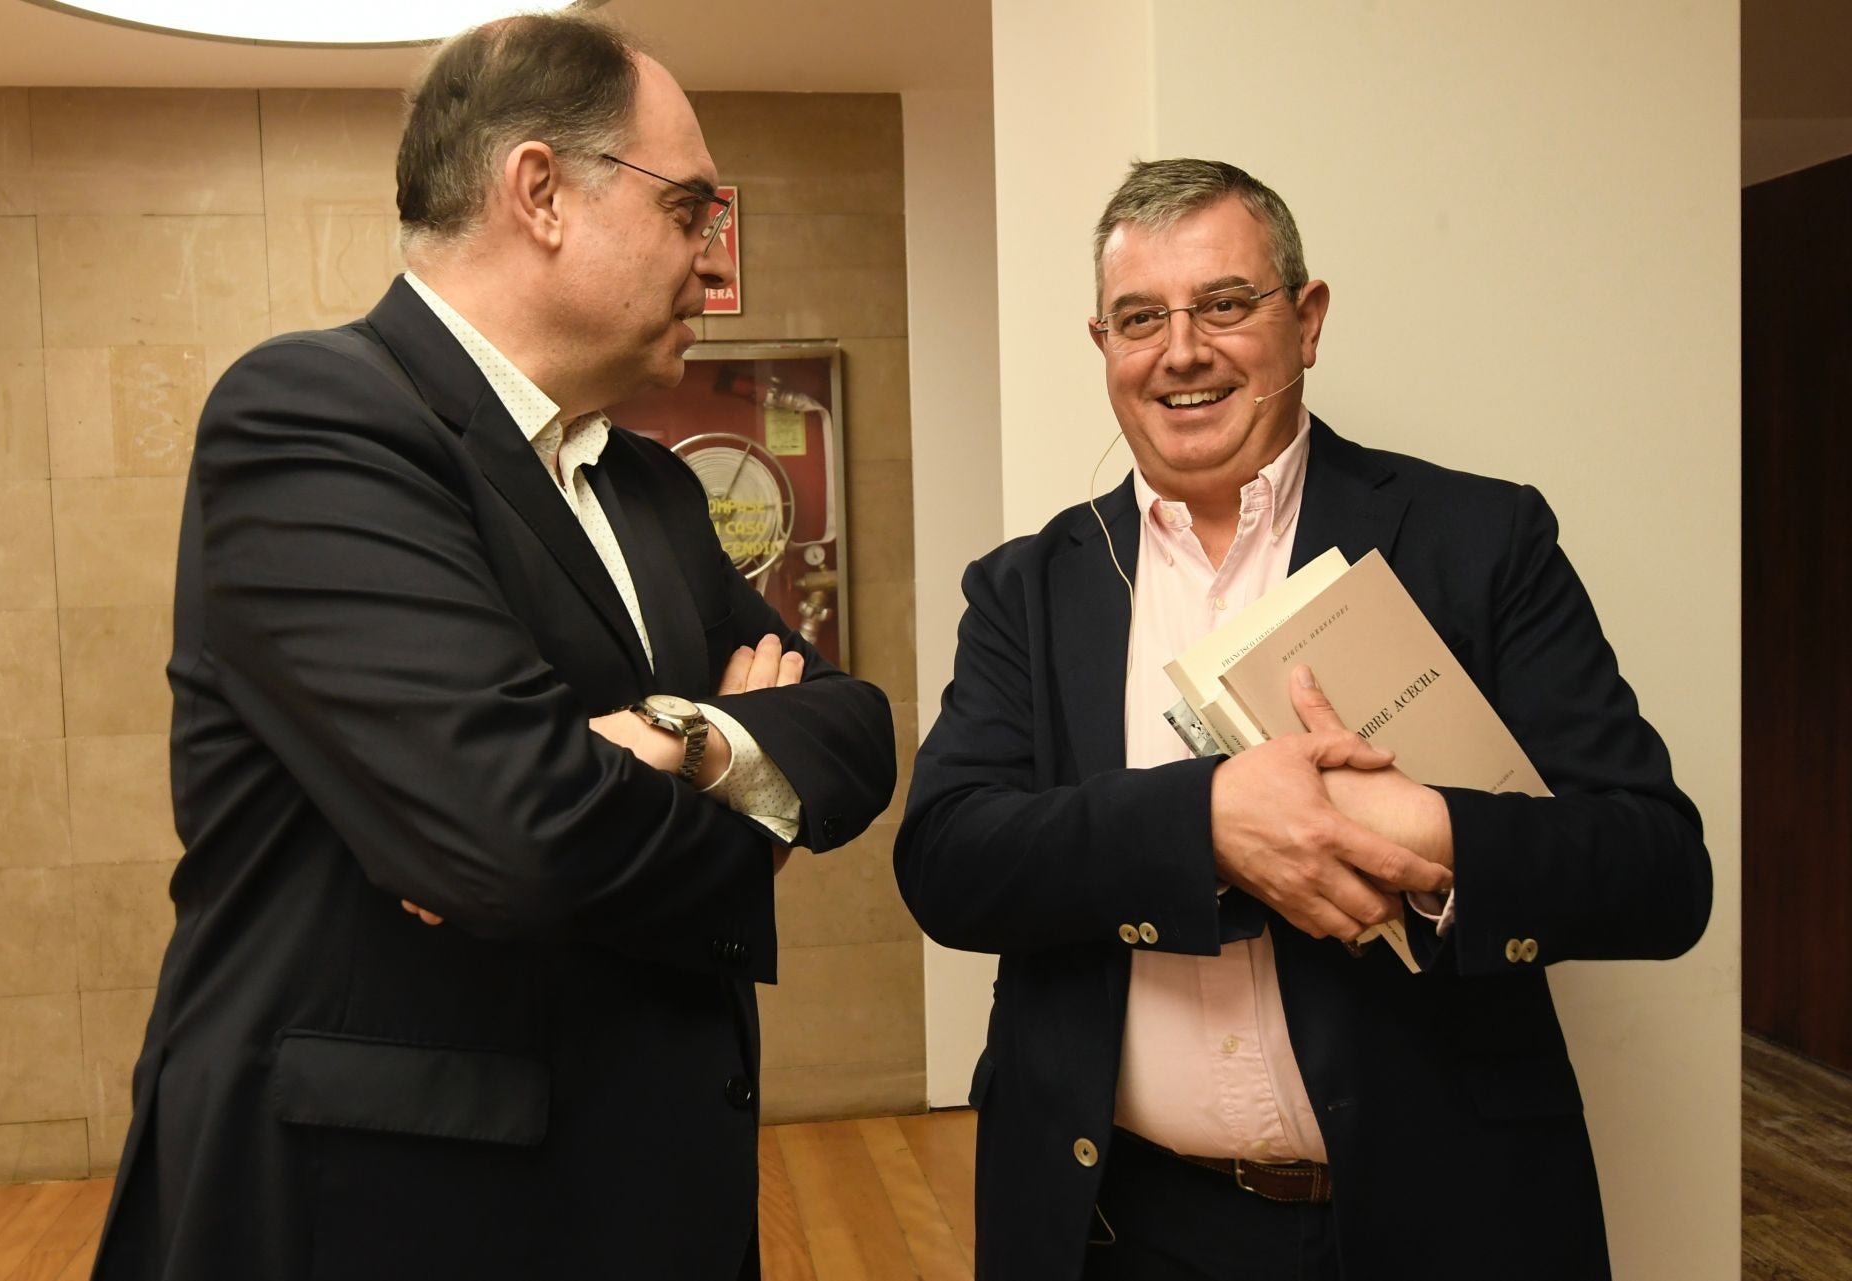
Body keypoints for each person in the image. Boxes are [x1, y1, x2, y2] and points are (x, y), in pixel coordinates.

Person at [89, 13, 896, 1281]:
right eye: (689, 208)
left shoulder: (650, 485)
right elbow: (512, 839)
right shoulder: (313, 417)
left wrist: (677, 743)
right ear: (542, 193)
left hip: (647, 1189)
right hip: (389, 1211)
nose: (711, 257)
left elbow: (854, 731)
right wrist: (740, 765)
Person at [894, 159, 1711, 1280]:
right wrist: (1206, 824)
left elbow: (1661, 871)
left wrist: (1430, 835)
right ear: (1104, 350)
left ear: (1307, 319)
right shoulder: (1029, 588)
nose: (1182, 350)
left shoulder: (1480, 542)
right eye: (1141, 319)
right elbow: (947, 860)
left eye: (1226, 304)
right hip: (1118, 1229)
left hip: (1437, 1222)